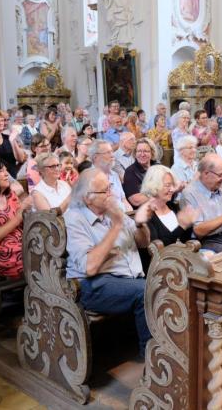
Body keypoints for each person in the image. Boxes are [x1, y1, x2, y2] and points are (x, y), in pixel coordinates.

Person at [65, 167, 153, 357]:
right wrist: (117, 225)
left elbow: (144, 242)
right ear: (88, 197)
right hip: (91, 285)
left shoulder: (114, 209)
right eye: (104, 191)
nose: (110, 194)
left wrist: (139, 224)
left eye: (110, 187)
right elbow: (90, 267)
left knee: (166, 283)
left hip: (125, 277)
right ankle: (152, 359)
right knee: (147, 290)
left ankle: (169, 349)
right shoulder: (74, 219)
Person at [139, 165, 199, 246]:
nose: (172, 189)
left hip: (183, 254)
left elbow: (185, 239)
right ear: (154, 186)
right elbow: (158, 248)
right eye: (167, 185)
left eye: (172, 185)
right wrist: (182, 226)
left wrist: (190, 224)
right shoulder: (146, 214)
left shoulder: (172, 207)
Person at [88, 139, 133, 212]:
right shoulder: (89, 178)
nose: (112, 155)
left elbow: (124, 200)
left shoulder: (114, 174)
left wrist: (131, 216)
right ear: (96, 157)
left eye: (112, 151)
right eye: (108, 152)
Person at [122, 138, 159, 208]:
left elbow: (170, 188)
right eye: (139, 151)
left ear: (152, 153)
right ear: (135, 153)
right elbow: (136, 201)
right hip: (143, 212)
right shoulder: (130, 172)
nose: (142, 154)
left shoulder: (158, 167)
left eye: (146, 151)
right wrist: (160, 192)